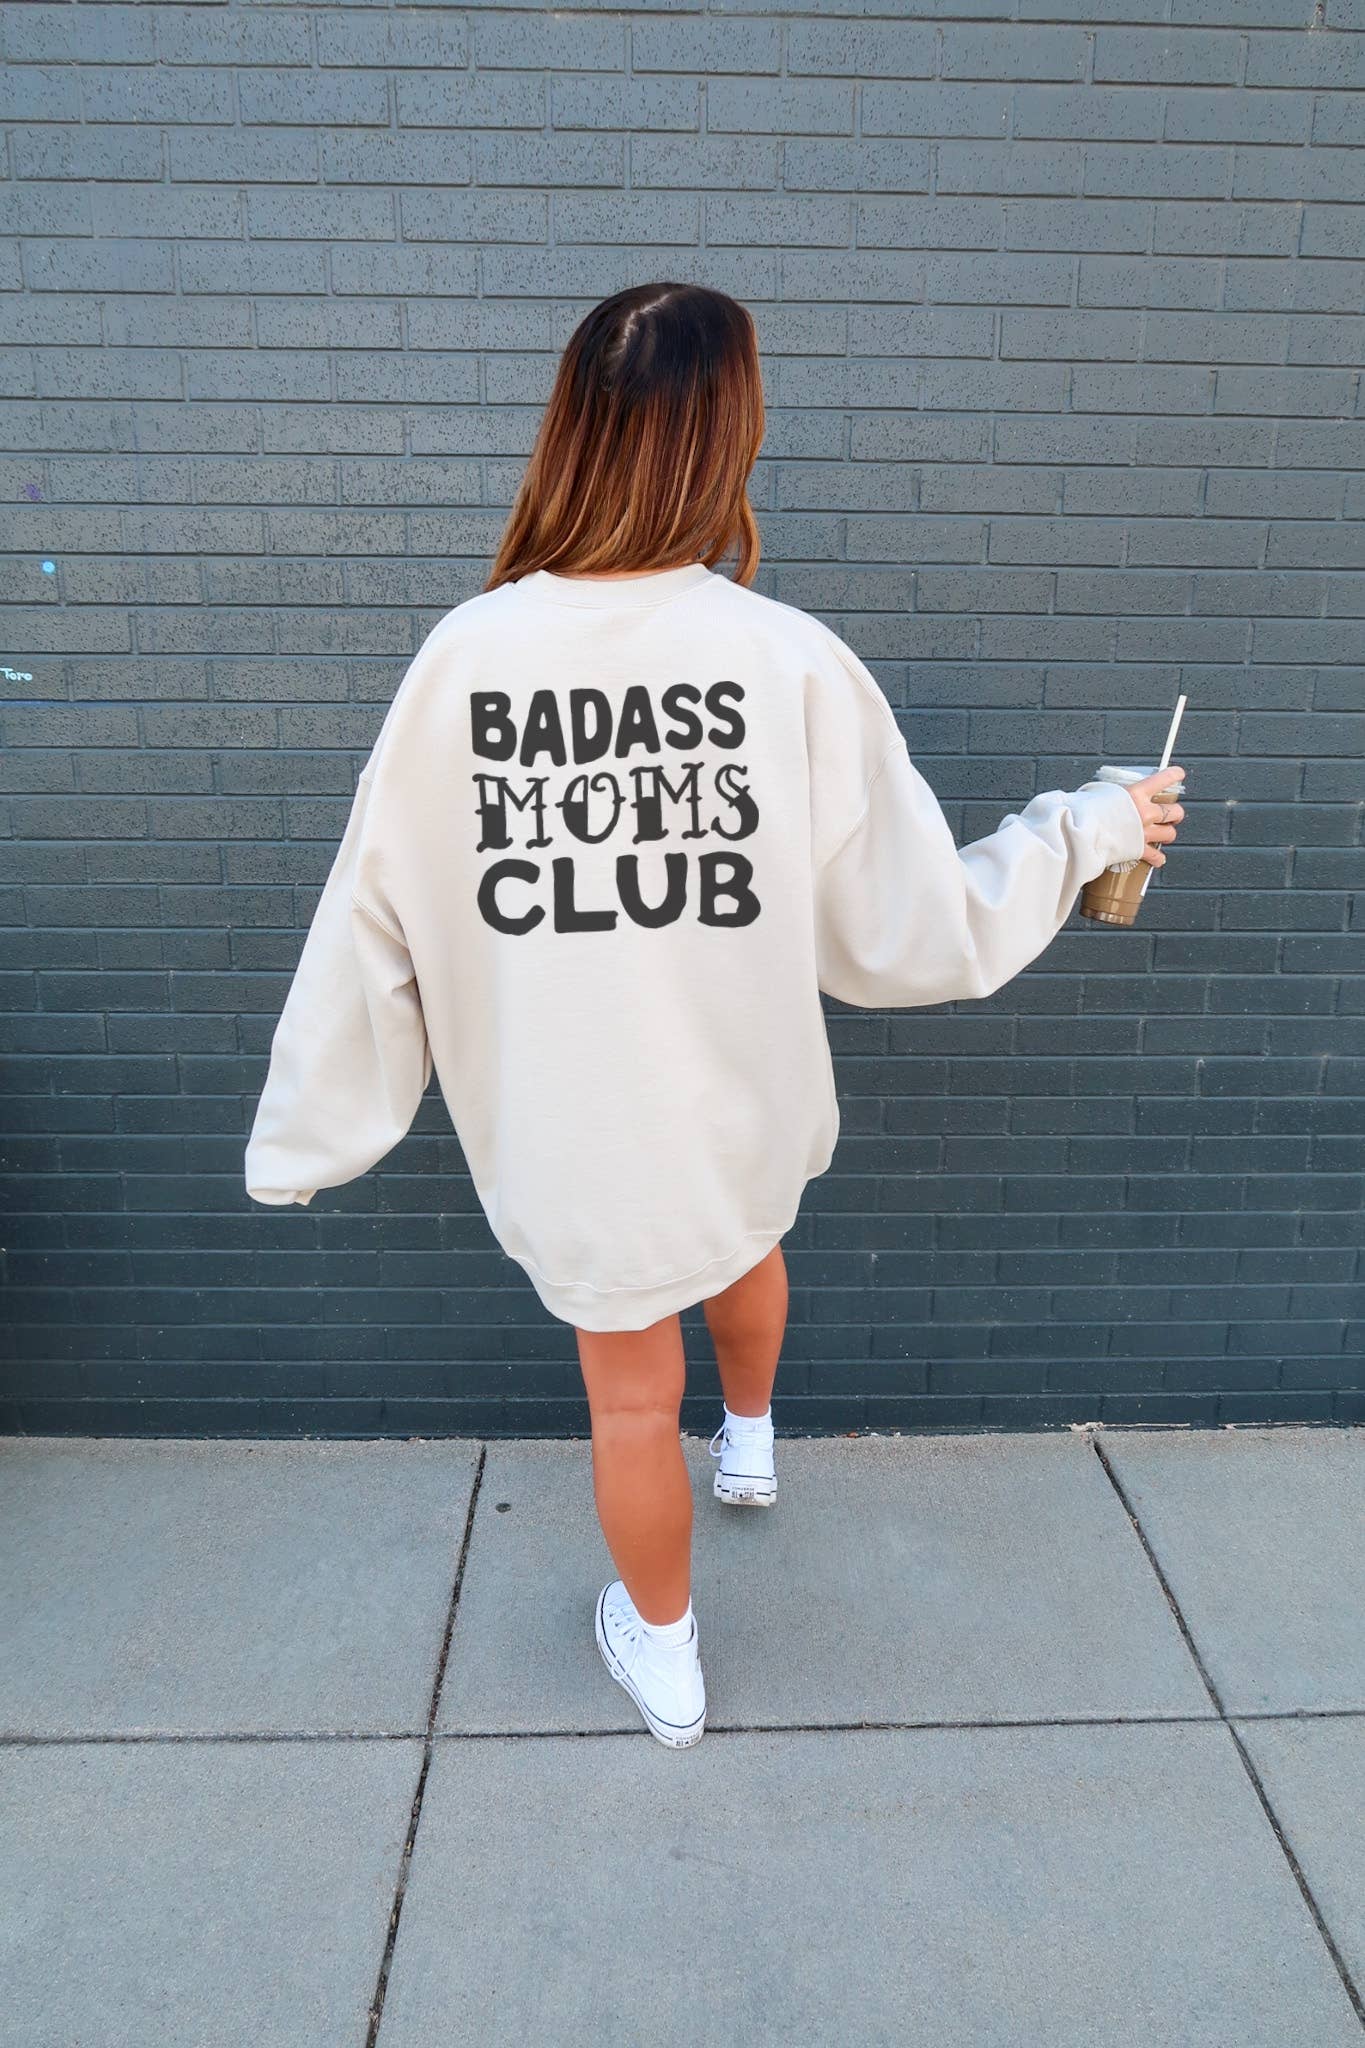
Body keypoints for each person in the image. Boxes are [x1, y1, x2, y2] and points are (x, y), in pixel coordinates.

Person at [244, 282, 1185, 1751]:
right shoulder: (786, 656)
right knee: (746, 1240)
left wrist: (312, 1132)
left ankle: (667, 1655)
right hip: (737, 1101)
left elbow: (370, 914)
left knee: (632, 1401)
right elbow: (907, 924)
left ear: (570, 430)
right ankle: (748, 1446)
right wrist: (1090, 828)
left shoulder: (463, 660)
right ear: (725, 441)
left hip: (576, 1136)